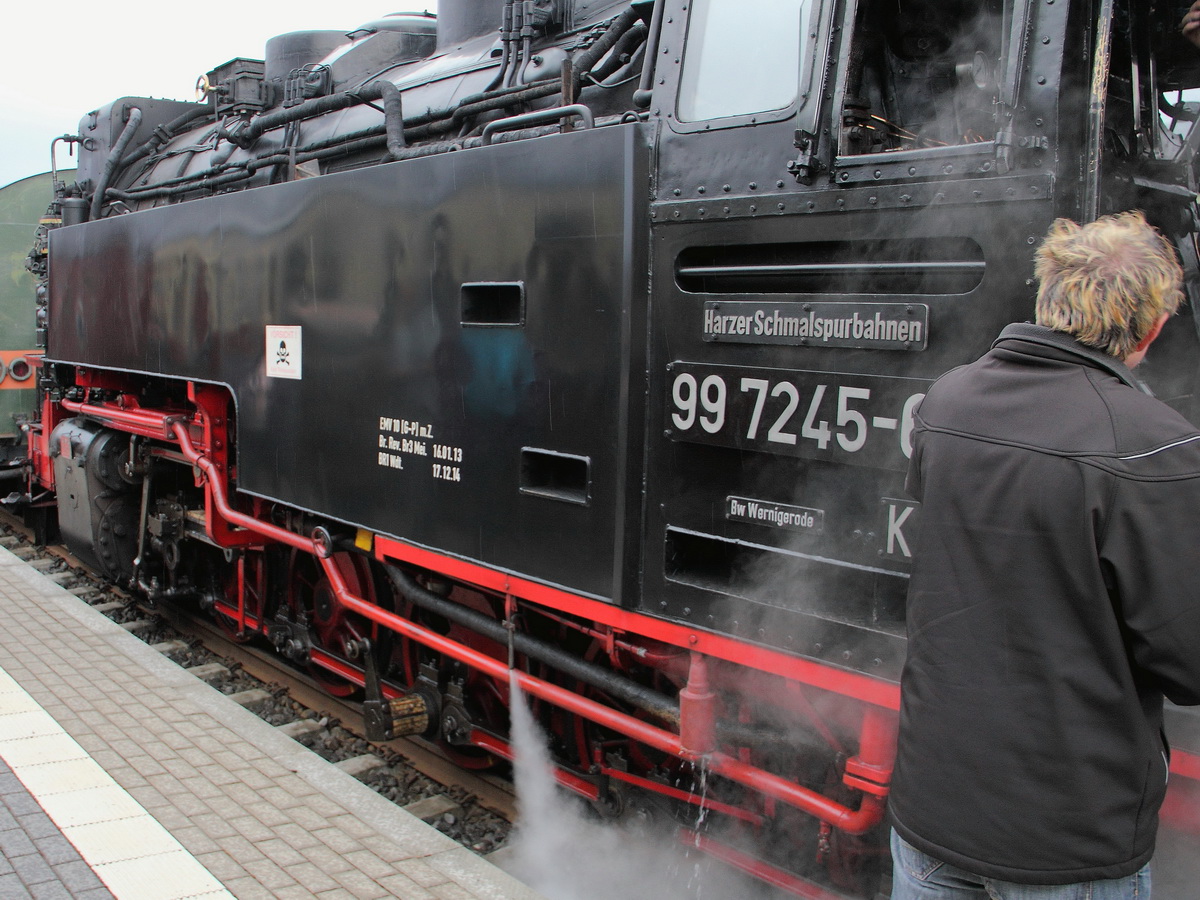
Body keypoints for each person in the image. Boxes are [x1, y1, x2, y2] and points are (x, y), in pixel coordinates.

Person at [888, 210, 1200, 900]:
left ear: (1048, 297)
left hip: (931, 808)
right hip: (1066, 840)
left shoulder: (947, 402)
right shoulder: (1153, 445)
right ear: (1150, 329)